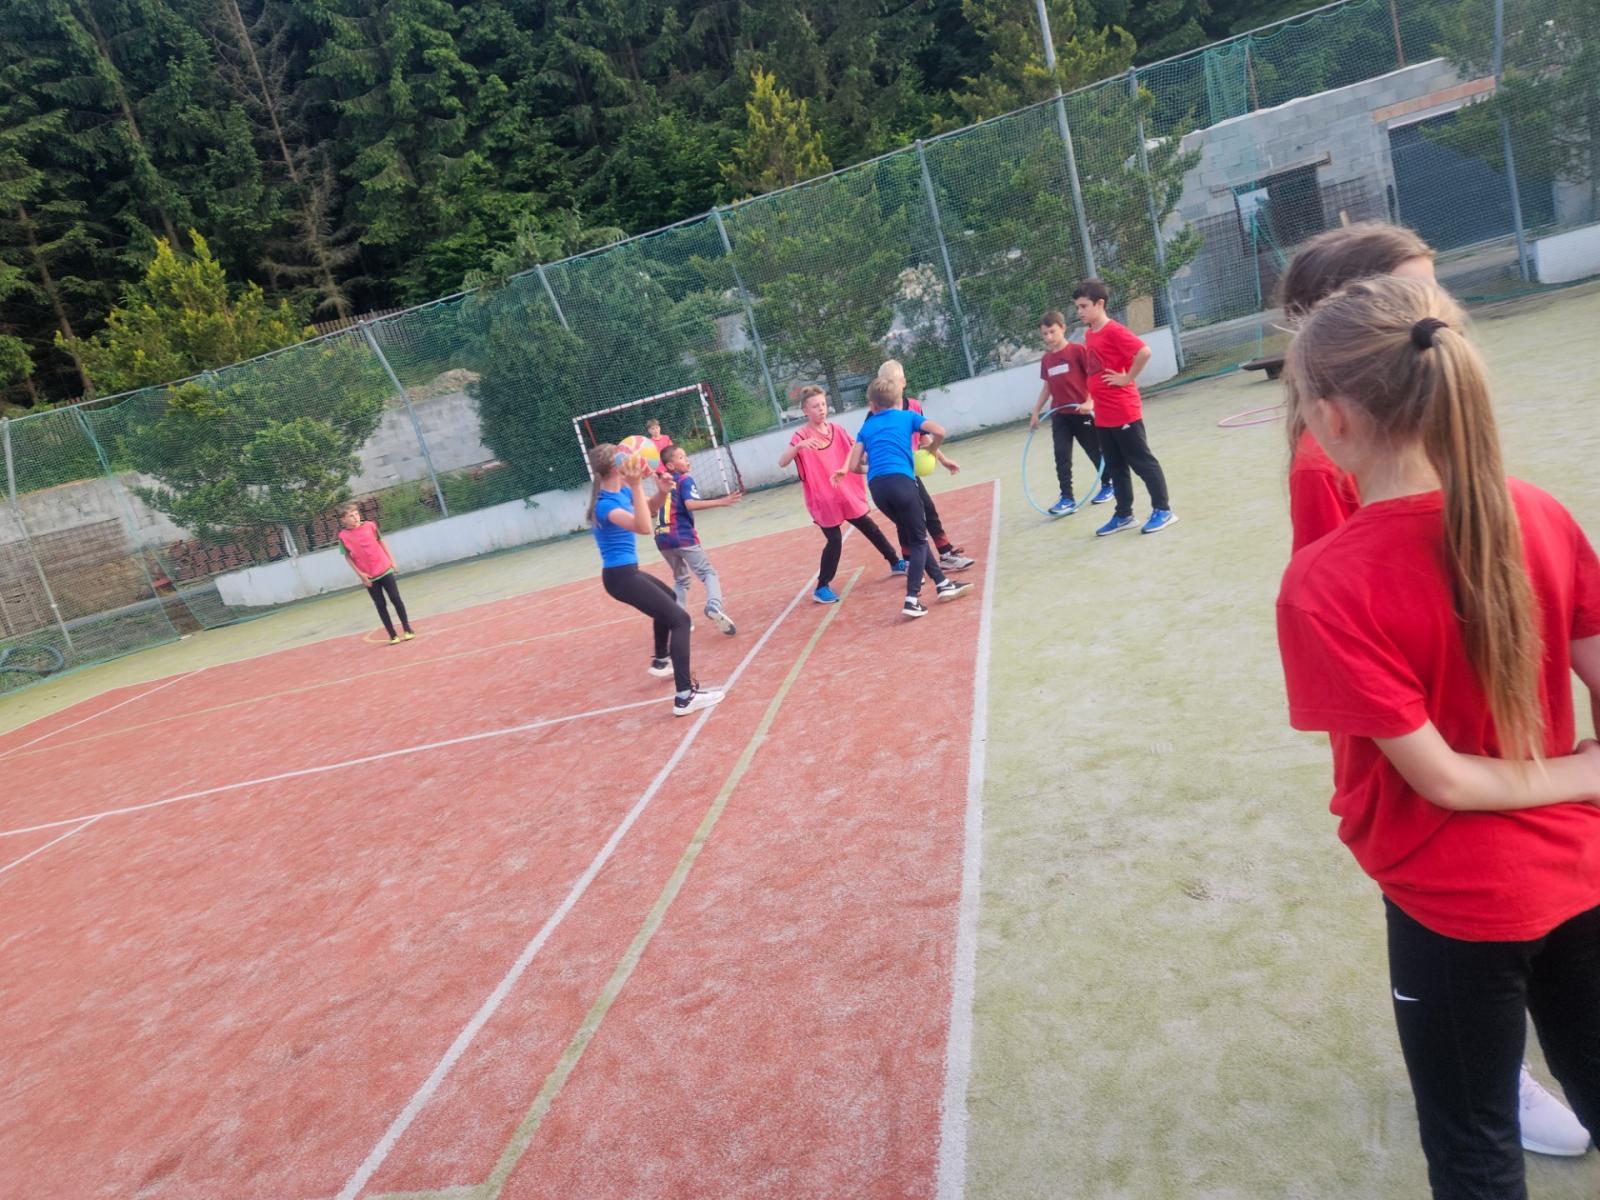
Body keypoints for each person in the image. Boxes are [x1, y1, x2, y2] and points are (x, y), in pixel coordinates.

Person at [1275, 275, 1600, 1196]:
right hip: (1581, 872)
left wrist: (1582, 777)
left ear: (1332, 419)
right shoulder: (1538, 510)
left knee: (1472, 1149)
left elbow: (1446, 781)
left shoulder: (1324, 584)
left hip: (1453, 905)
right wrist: (1587, 780)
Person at [1280, 222, 1436, 552]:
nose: (1436, 316)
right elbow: (1326, 574)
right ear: (1342, 321)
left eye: (1435, 293)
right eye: (1408, 298)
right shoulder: (1323, 463)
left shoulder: (1442, 406)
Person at [587, 444, 723, 716]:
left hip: (627, 572)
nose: (632, 459)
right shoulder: (605, 505)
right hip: (620, 577)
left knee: (671, 599)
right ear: (616, 467)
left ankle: (662, 660)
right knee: (680, 621)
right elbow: (643, 527)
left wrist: (661, 492)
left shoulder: (622, 492)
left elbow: (648, 509)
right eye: (625, 457)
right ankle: (685, 696)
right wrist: (638, 485)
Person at [833, 379, 973, 619]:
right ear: (898, 400)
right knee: (918, 540)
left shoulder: (866, 427)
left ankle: (942, 583)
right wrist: (932, 451)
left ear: (872, 405)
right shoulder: (907, 417)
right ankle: (912, 599)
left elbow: (855, 465)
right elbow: (939, 431)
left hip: (878, 489)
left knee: (914, 534)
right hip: (903, 484)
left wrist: (875, 468)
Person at [778, 384, 904, 603]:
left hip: (846, 493)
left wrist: (875, 458)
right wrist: (798, 447)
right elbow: (782, 462)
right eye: (815, 406)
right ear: (805, 411)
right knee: (834, 540)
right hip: (823, 498)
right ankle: (822, 587)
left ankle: (895, 562)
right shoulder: (801, 436)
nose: (821, 409)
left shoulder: (837, 430)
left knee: (870, 527)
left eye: (823, 404)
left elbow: (857, 451)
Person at [1071, 280, 1176, 536]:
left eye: (1084, 306)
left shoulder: (1114, 331)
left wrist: (1127, 377)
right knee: (1115, 466)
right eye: (1077, 307)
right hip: (1103, 415)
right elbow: (1096, 370)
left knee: (1142, 462)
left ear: (1100, 304)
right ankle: (1124, 515)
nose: (1079, 311)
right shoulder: (1090, 334)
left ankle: (1163, 510)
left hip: (1123, 411)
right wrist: (1091, 399)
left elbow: (1144, 351)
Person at [876, 360, 974, 572]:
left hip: (908, 471)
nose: (891, 387)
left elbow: (924, 437)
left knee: (928, 509)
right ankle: (909, 561)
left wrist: (943, 460)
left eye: (895, 382)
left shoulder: (913, 406)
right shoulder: (877, 412)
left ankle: (945, 554)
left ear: (903, 382)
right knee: (905, 518)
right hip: (892, 473)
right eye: (887, 383)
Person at [1029, 309, 1116, 516]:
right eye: (1044, 334)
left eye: (1052, 331)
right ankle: (1067, 498)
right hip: (1060, 415)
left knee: (1094, 450)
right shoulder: (1046, 360)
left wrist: (1090, 401)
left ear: (1063, 328)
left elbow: (1094, 377)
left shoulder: (1077, 351)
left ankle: (1109, 484)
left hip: (1081, 412)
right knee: (1061, 456)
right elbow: (1047, 387)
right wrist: (1036, 412)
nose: (1048, 337)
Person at [654, 443, 739, 634]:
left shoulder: (664, 484)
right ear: (670, 465)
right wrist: (721, 502)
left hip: (662, 538)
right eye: (681, 457)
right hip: (682, 536)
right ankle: (714, 605)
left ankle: (678, 619)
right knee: (708, 573)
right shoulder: (684, 479)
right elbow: (690, 504)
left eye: (686, 456)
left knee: (681, 579)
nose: (687, 459)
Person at [336, 501, 415, 644]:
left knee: (395, 598)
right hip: (369, 576)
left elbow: (381, 542)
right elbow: (347, 557)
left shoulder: (370, 526)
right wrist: (361, 575)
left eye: (356, 514)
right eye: (351, 516)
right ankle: (392, 634)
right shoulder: (343, 536)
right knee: (380, 604)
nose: (355, 517)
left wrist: (392, 561)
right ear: (343, 520)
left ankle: (407, 628)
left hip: (384, 568)